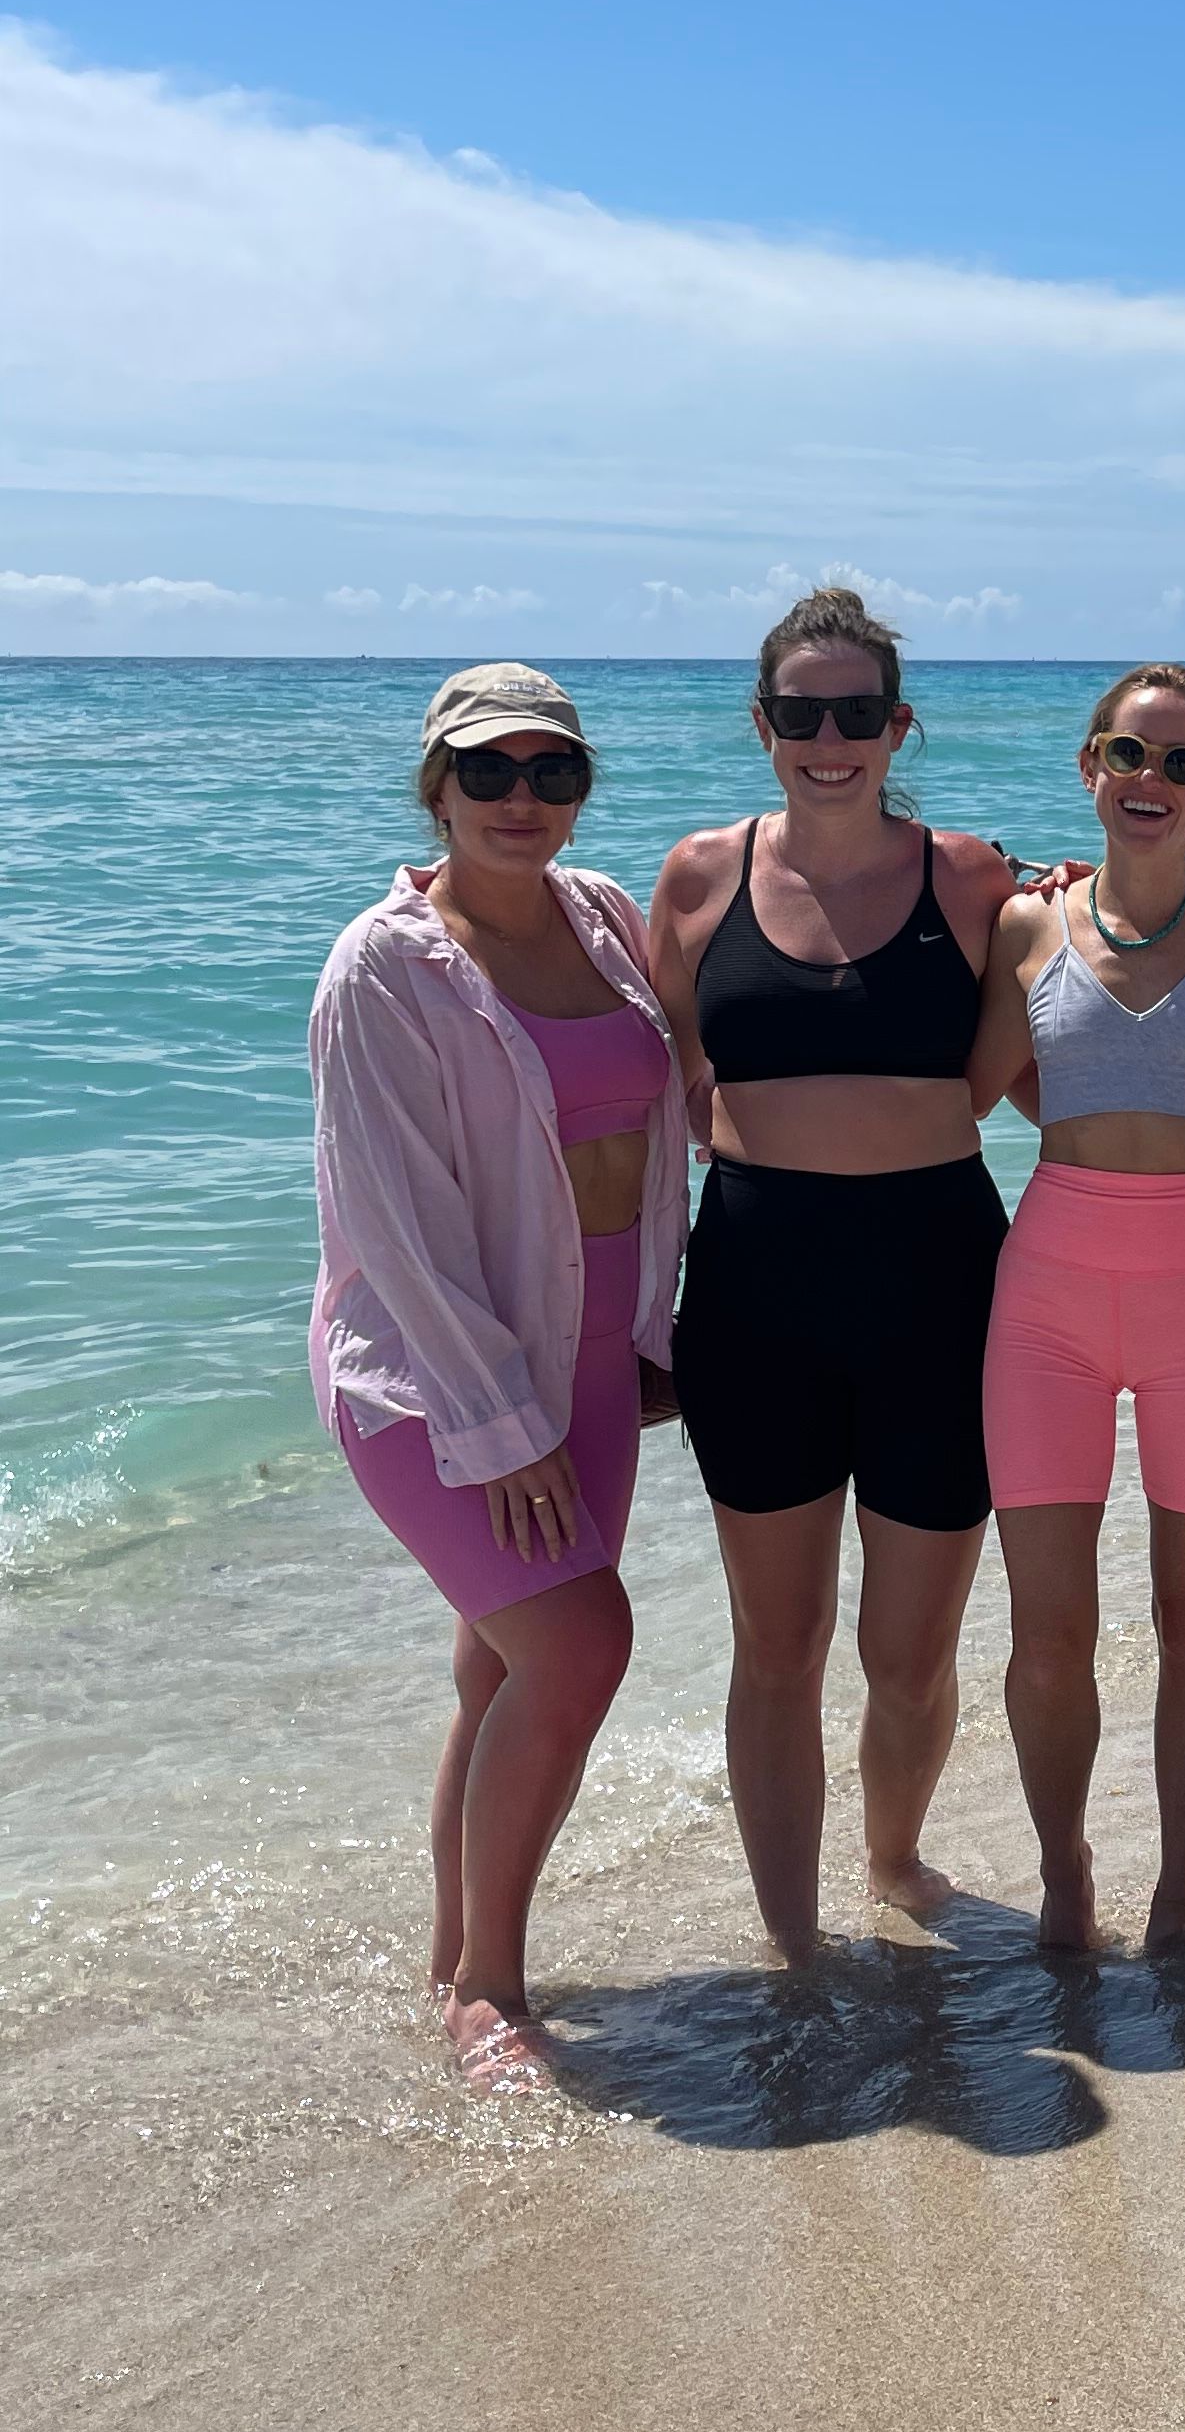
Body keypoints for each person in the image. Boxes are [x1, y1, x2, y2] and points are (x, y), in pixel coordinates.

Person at [309, 667, 688, 2092]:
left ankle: (450, 1953)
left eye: (553, 772)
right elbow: (392, 1230)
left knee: (501, 1661)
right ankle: (490, 1993)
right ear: (436, 789)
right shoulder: (384, 967)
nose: (523, 799)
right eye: (490, 773)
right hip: (434, 1379)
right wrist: (499, 1423)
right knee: (579, 1647)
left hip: (593, 1360)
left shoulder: (603, 918)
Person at [648, 587, 1023, 1960]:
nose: (828, 738)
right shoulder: (695, 880)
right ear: (762, 725)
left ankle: (895, 1857)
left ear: (896, 724)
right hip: (756, 1292)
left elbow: (1038, 1063)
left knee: (910, 1655)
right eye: (800, 713)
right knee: (780, 1642)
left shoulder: (977, 880)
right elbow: (663, 1094)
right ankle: (792, 1942)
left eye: (855, 713)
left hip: (941, 1287)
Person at [972, 666, 1185, 1953]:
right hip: (1045, 1296)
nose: (1148, 781)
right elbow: (982, 1082)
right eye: (1125, 754)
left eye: (1178, 762)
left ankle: (1178, 1888)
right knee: (1048, 1629)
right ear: (1088, 770)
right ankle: (1064, 1876)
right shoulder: (1022, 926)